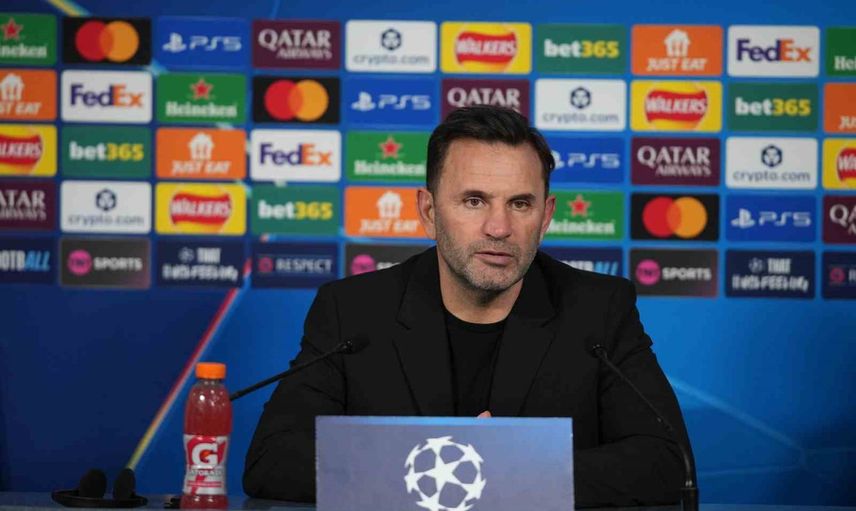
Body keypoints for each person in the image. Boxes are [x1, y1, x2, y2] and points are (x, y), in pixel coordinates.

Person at [244, 106, 695, 507]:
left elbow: (666, 461)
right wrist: (444, 466)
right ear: (429, 211)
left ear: (546, 216)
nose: (498, 227)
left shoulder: (598, 309)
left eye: (520, 204)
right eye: (474, 201)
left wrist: (504, 469)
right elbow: (272, 459)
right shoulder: (354, 311)